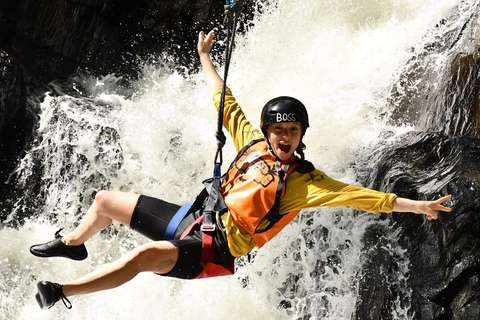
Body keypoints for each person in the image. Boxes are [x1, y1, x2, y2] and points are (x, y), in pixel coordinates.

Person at [30, 30, 453, 310]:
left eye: (292, 131)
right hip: (192, 219)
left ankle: (61, 292)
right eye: (278, 130)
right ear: (268, 131)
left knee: (143, 256)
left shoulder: (305, 182)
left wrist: (417, 206)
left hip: (214, 252)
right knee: (104, 201)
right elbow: (223, 100)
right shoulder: (251, 141)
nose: (284, 137)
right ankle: (72, 243)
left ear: (301, 133)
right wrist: (203, 57)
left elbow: (360, 196)